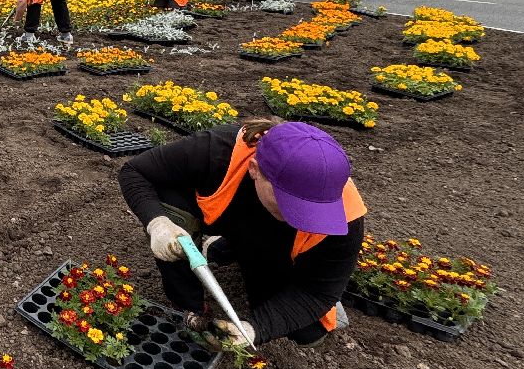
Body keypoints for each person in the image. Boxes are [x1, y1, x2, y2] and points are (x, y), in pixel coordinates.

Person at [118, 116, 366, 348]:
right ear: (254, 169)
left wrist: (253, 329)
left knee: (307, 333)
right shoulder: (217, 151)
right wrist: (158, 223)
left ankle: (238, 249)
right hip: (233, 217)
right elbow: (134, 172)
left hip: (278, 244)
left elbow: (315, 294)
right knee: (168, 202)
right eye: (289, 202)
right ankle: (191, 303)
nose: (299, 216)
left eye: (311, 209)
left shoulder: (345, 216)